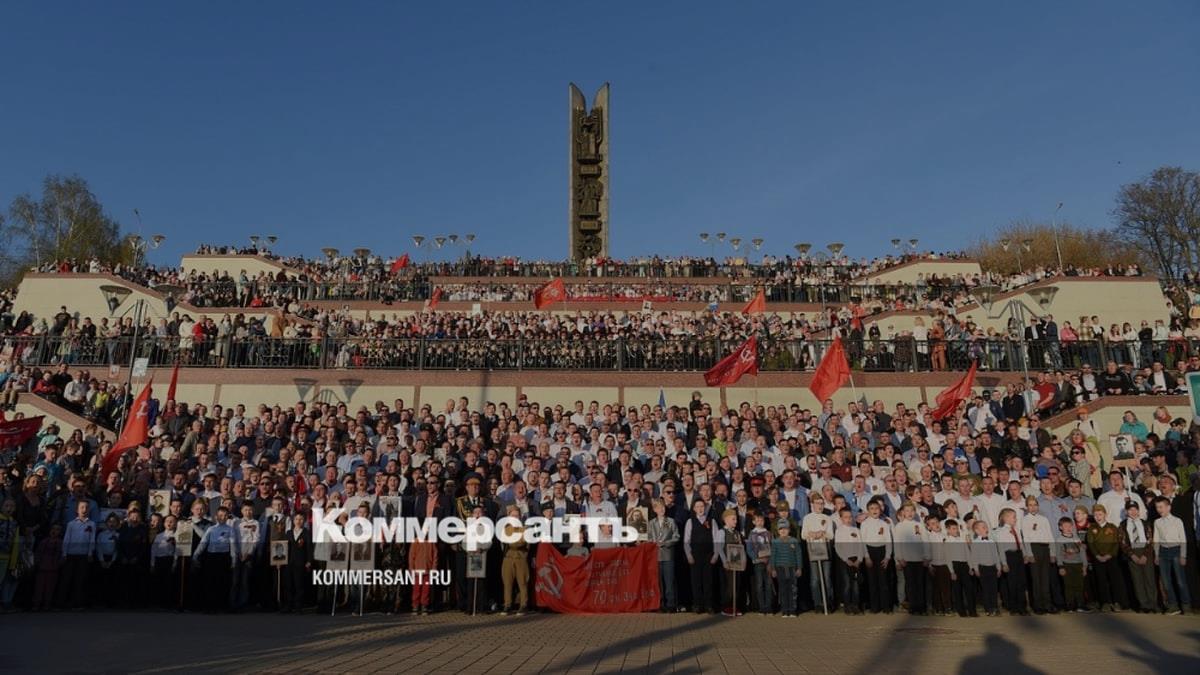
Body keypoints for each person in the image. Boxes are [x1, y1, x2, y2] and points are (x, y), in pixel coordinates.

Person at [194, 505, 238, 612]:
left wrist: (234, 559)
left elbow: (233, 545)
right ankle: (210, 605)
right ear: (216, 517)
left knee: (223, 582)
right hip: (211, 557)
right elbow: (203, 543)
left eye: (225, 515)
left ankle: (222, 605)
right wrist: (196, 555)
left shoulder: (230, 529)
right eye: (220, 515)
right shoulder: (211, 529)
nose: (223, 517)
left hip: (224, 557)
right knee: (210, 582)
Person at [1152, 497, 1191, 615]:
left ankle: (1186, 605)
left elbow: (1183, 539)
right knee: (1166, 581)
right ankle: (1173, 605)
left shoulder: (1177, 521)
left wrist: (1183, 555)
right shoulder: (1157, 522)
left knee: (1180, 581)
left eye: (1161, 507)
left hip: (1176, 551)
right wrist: (1156, 555)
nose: (1159, 509)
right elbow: (1156, 539)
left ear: (1168, 507)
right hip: (1163, 552)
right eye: (1157, 507)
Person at [1085, 504, 1127, 612]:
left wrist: (1110, 554)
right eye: (1095, 515)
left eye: (1100, 514)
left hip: (1111, 558)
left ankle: (1117, 602)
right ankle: (1105, 602)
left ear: (1105, 514)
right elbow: (1091, 543)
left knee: (1114, 580)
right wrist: (1097, 555)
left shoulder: (1112, 527)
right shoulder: (1092, 528)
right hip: (1098, 558)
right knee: (1101, 580)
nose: (1098, 517)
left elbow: (1116, 543)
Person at [1020, 495, 1055, 614]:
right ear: (1027, 507)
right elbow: (1026, 538)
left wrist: (1052, 552)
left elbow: (1050, 535)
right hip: (1034, 549)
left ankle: (1047, 604)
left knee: (1045, 578)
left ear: (1038, 506)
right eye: (1030, 505)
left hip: (1045, 549)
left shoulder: (1044, 519)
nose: (1033, 507)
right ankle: (1038, 605)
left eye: (1035, 505)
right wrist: (1029, 553)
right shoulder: (1025, 520)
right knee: (1036, 579)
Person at [1119, 500, 1156, 613]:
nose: (1133, 512)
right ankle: (1143, 604)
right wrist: (1132, 555)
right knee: (1137, 580)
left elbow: (1150, 539)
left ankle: (1152, 604)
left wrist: (1145, 555)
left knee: (1149, 579)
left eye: (1135, 509)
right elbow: (1122, 542)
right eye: (1130, 509)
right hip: (1132, 552)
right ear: (1126, 511)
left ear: (1139, 511)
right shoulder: (1123, 525)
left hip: (1145, 552)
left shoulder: (1145, 523)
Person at [801, 494, 835, 613]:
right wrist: (812, 534)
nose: (820, 506)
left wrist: (822, 533)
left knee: (827, 578)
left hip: (825, 549)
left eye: (821, 503)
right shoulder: (807, 518)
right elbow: (803, 535)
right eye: (817, 503)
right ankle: (818, 603)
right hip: (813, 549)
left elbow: (831, 535)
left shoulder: (827, 518)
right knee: (815, 579)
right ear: (812, 504)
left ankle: (829, 602)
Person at [59, 501, 95, 608]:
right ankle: (62, 602)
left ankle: (77, 602)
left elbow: (92, 539)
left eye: (86, 508)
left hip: (83, 555)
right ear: (77, 510)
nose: (84, 510)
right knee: (67, 579)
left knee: (80, 580)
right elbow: (66, 539)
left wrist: (90, 553)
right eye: (82, 507)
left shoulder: (92, 524)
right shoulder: (71, 524)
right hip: (70, 554)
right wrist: (64, 553)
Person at [860, 498, 893, 614]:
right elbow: (863, 541)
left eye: (877, 508)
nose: (875, 510)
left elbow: (888, 541)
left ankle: (886, 606)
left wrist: (887, 557)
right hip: (870, 552)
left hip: (882, 552)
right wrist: (867, 556)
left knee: (883, 580)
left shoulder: (884, 524)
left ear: (880, 510)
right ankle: (875, 606)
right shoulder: (864, 524)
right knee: (872, 581)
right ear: (868, 511)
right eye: (872, 508)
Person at [993, 507, 1028, 615]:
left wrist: (1025, 554)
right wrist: (1004, 563)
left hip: (1018, 555)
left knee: (1021, 582)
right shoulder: (1000, 532)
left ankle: (1023, 607)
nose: (1015, 519)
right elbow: (1001, 549)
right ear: (1006, 518)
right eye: (1014, 517)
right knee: (1012, 583)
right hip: (1009, 557)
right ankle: (1013, 607)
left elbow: (1021, 543)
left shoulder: (1016, 529)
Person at [683, 498, 715, 614]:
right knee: (695, 581)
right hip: (695, 555)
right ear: (694, 509)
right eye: (698, 507)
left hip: (708, 555)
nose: (700, 509)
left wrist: (715, 555)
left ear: (705, 508)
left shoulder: (712, 521)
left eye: (702, 506)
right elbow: (686, 541)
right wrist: (689, 555)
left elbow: (716, 539)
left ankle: (708, 605)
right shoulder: (690, 522)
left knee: (708, 581)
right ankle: (697, 605)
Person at [648, 498, 680, 613]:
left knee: (669, 581)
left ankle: (671, 604)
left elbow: (676, 536)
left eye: (663, 507)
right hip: (655, 556)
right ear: (654, 509)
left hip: (668, 555)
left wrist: (666, 543)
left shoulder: (671, 521)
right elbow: (648, 537)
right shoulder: (651, 523)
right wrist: (653, 542)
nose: (661, 509)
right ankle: (660, 604)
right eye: (658, 507)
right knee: (658, 582)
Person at [499, 505, 529, 615]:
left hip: (521, 557)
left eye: (517, 516)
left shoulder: (525, 529)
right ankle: (507, 604)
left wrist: (514, 540)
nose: (515, 518)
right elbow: (509, 541)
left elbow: (520, 543)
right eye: (513, 516)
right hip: (508, 557)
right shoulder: (505, 529)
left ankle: (523, 604)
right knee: (507, 583)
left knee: (522, 582)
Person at [1054, 516, 1088, 612]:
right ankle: (1070, 605)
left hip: (1078, 564)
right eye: (1065, 526)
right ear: (1060, 527)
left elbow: (1082, 552)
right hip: (1067, 565)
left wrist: (1084, 566)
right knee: (1069, 586)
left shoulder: (1076, 538)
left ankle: (1080, 605)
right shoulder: (1059, 539)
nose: (1068, 528)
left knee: (1079, 585)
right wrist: (1061, 566)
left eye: (1070, 526)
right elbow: (1058, 554)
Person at [832, 508, 863, 615]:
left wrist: (859, 559)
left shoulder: (856, 530)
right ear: (841, 518)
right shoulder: (839, 531)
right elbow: (838, 547)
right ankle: (847, 605)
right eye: (845, 517)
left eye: (850, 517)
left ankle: (855, 605)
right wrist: (846, 559)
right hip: (845, 561)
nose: (848, 519)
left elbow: (860, 545)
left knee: (855, 584)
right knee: (847, 584)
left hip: (856, 559)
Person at [771, 518, 802, 617]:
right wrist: (773, 569)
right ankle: (785, 610)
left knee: (792, 589)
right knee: (783, 589)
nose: (783, 531)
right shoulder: (775, 542)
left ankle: (792, 610)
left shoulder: (794, 541)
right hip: (780, 568)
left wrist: (799, 568)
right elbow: (773, 556)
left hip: (792, 568)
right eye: (781, 529)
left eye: (785, 528)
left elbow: (798, 555)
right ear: (778, 531)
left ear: (789, 530)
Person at [284, 512, 312, 613]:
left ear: (304, 521)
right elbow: (284, 548)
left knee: (299, 585)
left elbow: (309, 548)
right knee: (288, 584)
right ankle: (289, 605)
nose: (298, 521)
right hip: (289, 562)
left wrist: (309, 561)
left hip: (301, 562)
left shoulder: (306, 533)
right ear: (293, 520)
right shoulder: (288, 533)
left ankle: (298, 606)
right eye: (296, 519)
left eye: (301, 519)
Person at [746, 512, 773, 615]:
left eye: (761, 520)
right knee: (759, 585)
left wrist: (771, 561)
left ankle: (769, 607)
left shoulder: (768, 533)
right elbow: (749, 549)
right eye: (757, 520)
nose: (759, 522)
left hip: (768, 562)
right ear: (753, 522)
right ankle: (762, 607)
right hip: (758, 562)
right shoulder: (752, 534)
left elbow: (773, 547)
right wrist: (757, 557)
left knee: (769, 584)